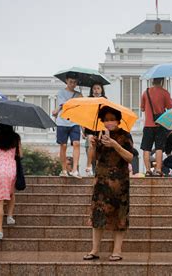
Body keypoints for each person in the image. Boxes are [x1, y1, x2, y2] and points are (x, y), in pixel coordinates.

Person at [83, 106, 134, 262]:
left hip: (120, 183)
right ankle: (95, 250)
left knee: (120, 216)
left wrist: (115, 145)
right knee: (98, 214)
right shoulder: (99, 135)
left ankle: (117, 251)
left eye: (112, 119)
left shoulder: (125, 136)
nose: (109, 122)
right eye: (106, 120)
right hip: (102, 182)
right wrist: (92, 145)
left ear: (118, 120)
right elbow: (94, 158)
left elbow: (130, 157)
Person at [140, 77, 172, 176]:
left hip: (148, 125)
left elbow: (142, 108)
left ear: (152, 81)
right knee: (159, 148)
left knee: (146, 148)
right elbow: (170, 107)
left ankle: (148, 170)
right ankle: (158, 170)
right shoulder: (165, 93)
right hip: (160, 124)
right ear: (162, 81)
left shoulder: (146, 92)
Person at [52, 73, 82, 177]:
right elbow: (64, 105)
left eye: (74, 82)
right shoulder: (61, 92)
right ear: (66, 81)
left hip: (74, 122)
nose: (72, 84)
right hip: (62, 122)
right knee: (63, 145)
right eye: (70, 82)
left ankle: (74, 170)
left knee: (77, 143)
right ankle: (64, 170)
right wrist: (73, 101)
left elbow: (80, 109)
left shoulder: (79, 94)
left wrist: (81, 99)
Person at [83, 83, 107, 177]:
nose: (96, 90)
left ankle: (97, 168)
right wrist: (83, 127)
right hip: (90, 124)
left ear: (101, 90)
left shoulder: (104, 99)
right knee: (91, 143)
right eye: (94, 88)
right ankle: (88, 166)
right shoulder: (88, 99)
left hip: (101, 125)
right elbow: (85, 114)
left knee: (99, 147)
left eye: (98, 88)